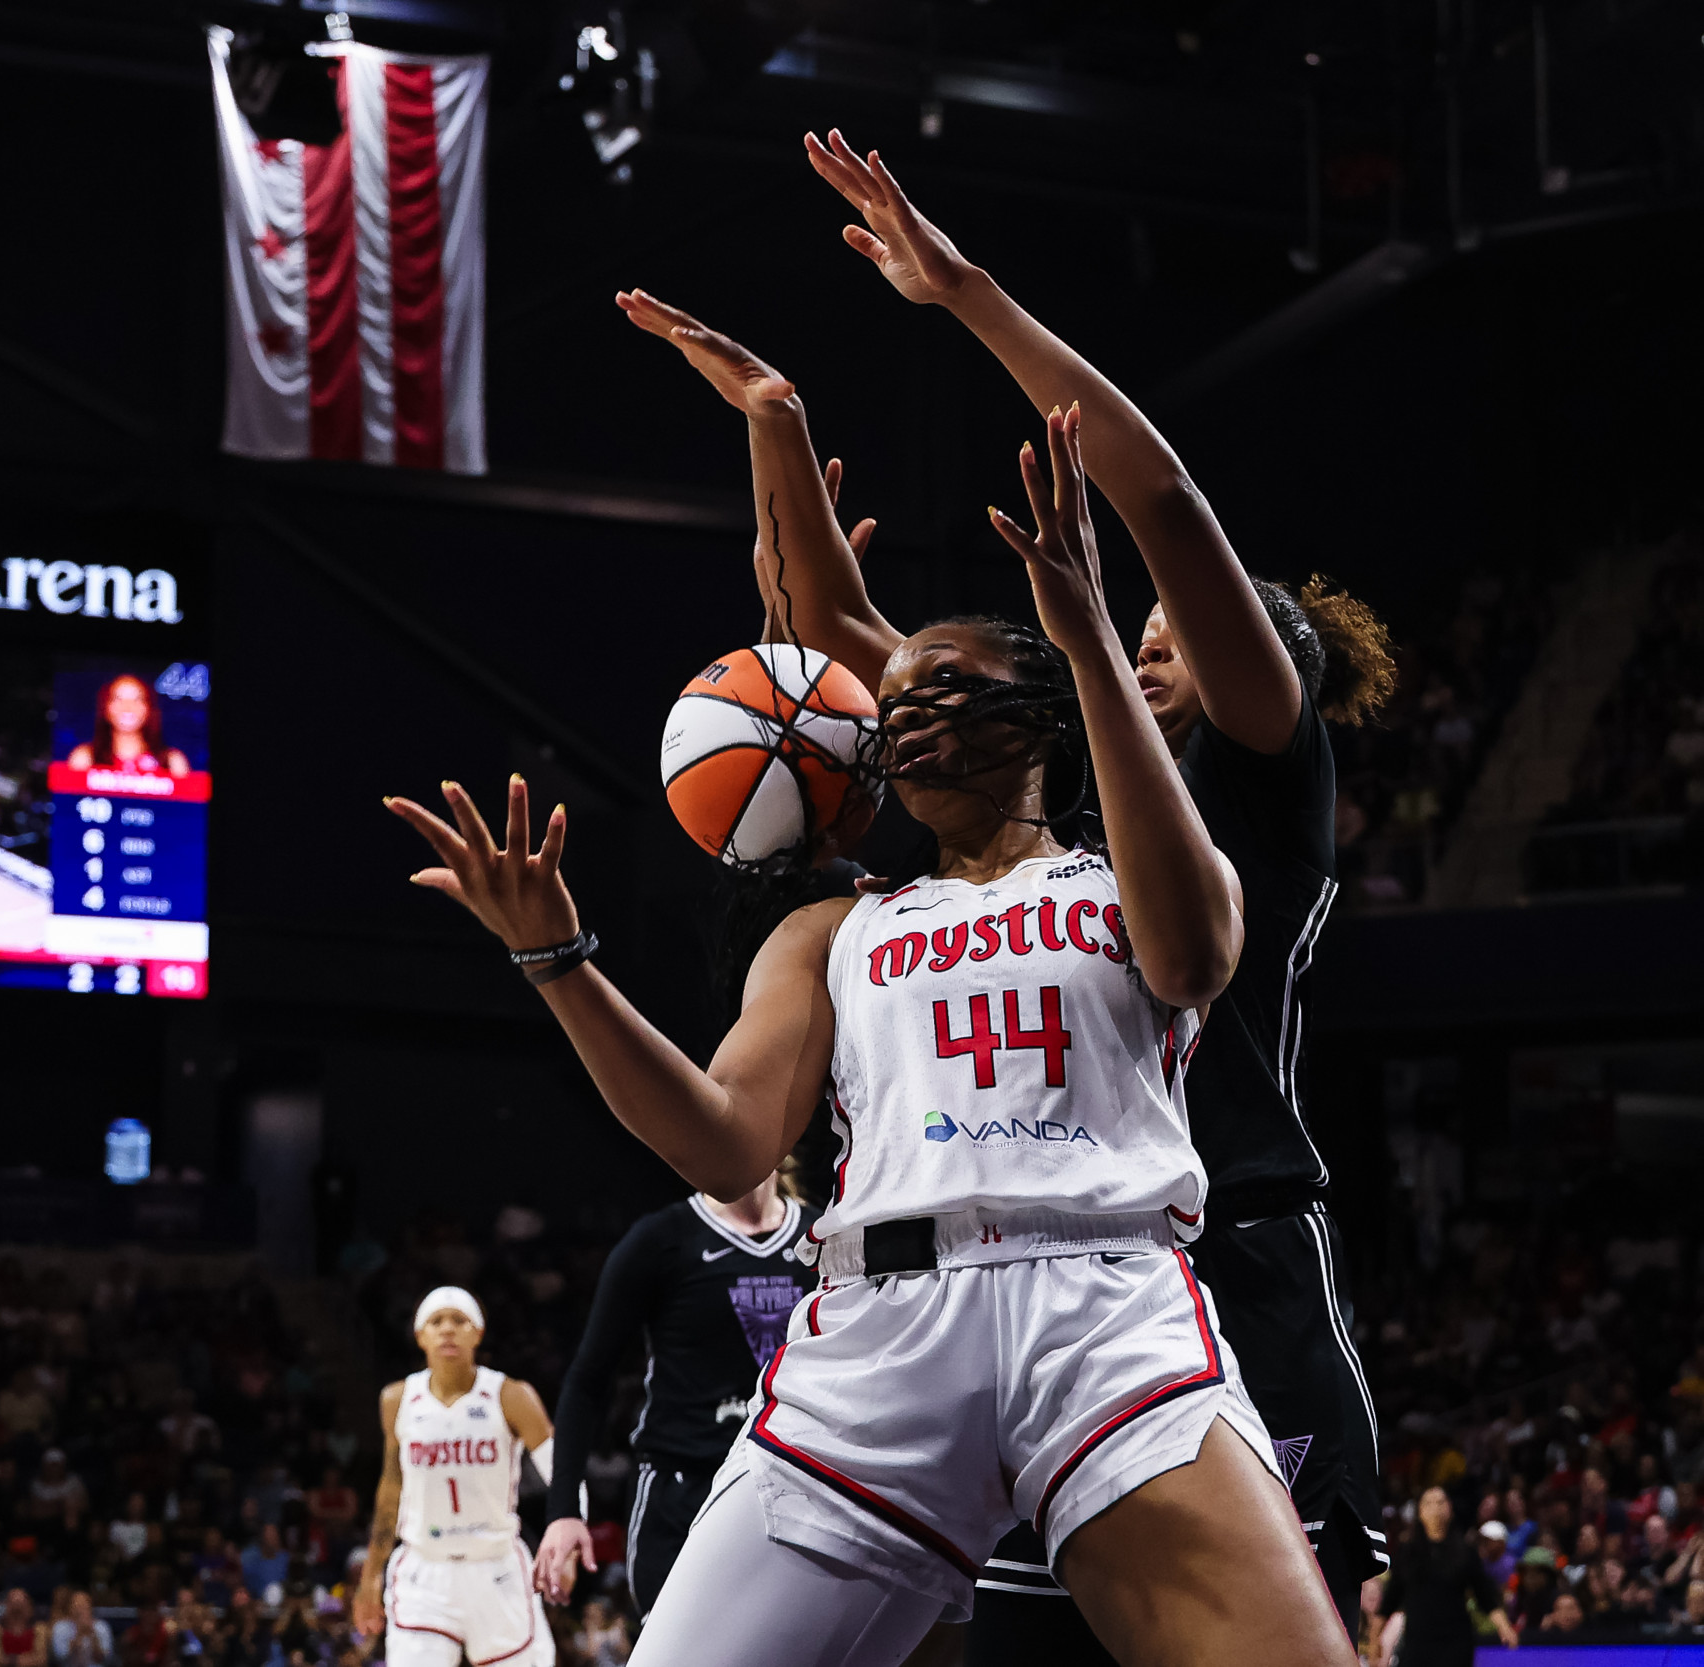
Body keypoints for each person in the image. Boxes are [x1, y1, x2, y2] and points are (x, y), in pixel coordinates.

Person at [385, 399, 1346, 1664]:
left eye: (951, 687)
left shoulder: (1135, 871)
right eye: (895, 707)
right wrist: (557, 961)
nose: (912, 714)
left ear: (1045, 717)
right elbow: (725, 1146)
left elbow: (1194, 957)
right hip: (879, 1330)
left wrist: (1088, 635)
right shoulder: (836, 924)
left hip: (1106, 1308)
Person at [682, 129, 1396, 1655]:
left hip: (1231, 1253)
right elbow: (856, 653)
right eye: (1125, 632)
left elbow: (1165, 506)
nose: (1143, 642)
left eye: (1176, 634)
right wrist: (779, 433)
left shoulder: (1262, 772)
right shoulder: (1061, 810)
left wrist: (970, 298)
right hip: (1022, 1285)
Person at [534, 1171, 820, 1616]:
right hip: (681, 1490)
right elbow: (588, 1378)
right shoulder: (661, 1239)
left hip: (795, 1487)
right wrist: (563, 1510)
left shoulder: (824, 1237)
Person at [350, 1288, 557, 1667]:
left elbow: (562, 1472)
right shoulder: (397, 1399)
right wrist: (370, 1577)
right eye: (436, 1321)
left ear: (477, 1333)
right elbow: (391, 1489)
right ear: (420, 1336)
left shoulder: (510, 1395)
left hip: (494, 1567)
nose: (448, 1329)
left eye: (459, 1321)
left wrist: (566, 1536)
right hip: (425, 1571)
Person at [1377, 1487, 1519, 1663]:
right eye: (1428, 1503)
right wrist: (1375, 1637)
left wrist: (1504, 1627)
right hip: (1417, 1643)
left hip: (1456, 1643)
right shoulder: (1407, 1552)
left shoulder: (1465, 1551)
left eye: (1441, 1502)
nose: (1435, 1508)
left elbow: (1485, 1595)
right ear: (1420, 1512)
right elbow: (1390, 1599)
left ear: (1450, 1509)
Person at [64, 676, 189, 778]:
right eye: (118, 699)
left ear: (148, 709)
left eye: (137, 699)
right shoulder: (84, 758)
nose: (128, 708)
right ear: (106, 708)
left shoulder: (172, 761)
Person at [48, 1591, 111, 1666]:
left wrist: (92, 1635)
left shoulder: (101, 1626)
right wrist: (78, 1635)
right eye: (77, 1605)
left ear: (90, 1607)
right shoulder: (60, 1627)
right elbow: (60, 1656)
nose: (80, 1610)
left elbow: (106, 1659)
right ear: (70, 1607)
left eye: (83, 1605)